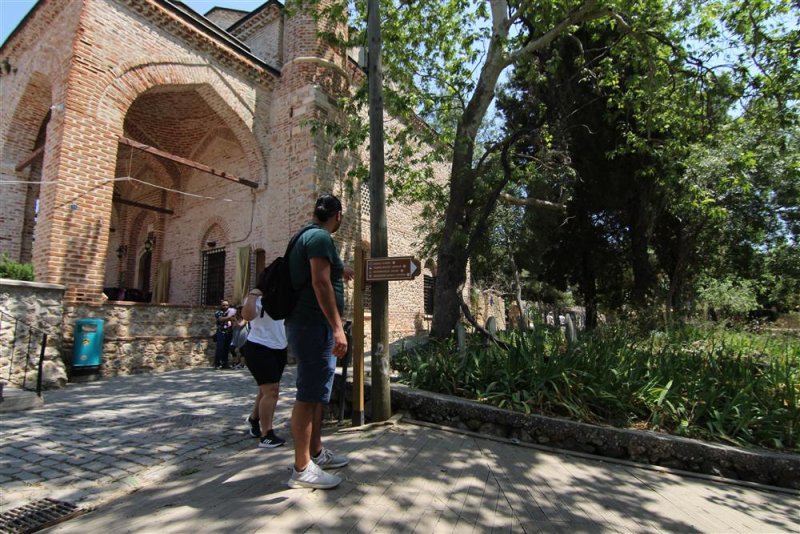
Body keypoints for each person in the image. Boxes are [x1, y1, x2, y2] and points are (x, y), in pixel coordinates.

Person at [285, 194, 353, 490]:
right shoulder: (320, 238)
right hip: (313, 326)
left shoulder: (306, 236)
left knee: (318, 392)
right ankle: (301, 469)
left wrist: (341, 270)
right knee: (308, 394)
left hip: (313, 326)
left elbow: (325, 274)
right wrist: (338, 328)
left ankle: (315, 453)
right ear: (337, 215)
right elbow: (320, 282)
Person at [241, 287, 288, 448]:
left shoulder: (283, 296)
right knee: (271, 391)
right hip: (259, 347)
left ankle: (254, 420)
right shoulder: (256, 298)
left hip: (280, 348)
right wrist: (253, 295)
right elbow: (246, 316)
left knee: (265, 390)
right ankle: (266, 435)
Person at [213, 299, 236, 369]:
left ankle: (224, 363)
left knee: (227, 348)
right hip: (221, 332)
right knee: (220, 348)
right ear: (221, 305)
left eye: (227, 305)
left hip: (229, 332)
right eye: (223, 305)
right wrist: (230, 317)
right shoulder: (218, 312)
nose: (225, 306)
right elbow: (221, 319)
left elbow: (235, 320)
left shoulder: (231, 311)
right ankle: (217, 364)